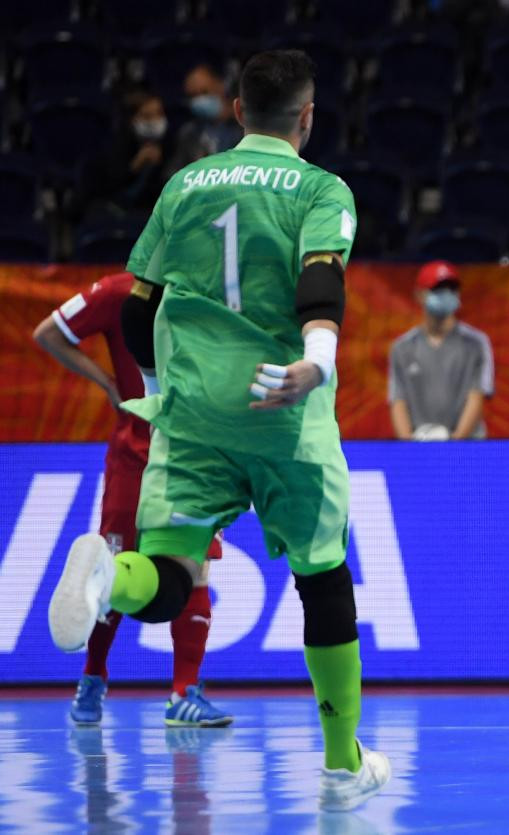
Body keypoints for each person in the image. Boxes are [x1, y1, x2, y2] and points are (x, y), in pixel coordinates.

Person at [45, 49, 390, 811]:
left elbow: (137, 310)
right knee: (322, 577)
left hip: (192, 415)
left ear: (236, 111)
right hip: (282, 411)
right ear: (306, 117)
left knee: (166, 579)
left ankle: (109, 574)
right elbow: (321, 275)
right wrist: (318, 361)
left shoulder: (182, 185)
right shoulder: (320, 187)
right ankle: (341, 763)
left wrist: (173, 388)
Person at [33, 274, 232, 728]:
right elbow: (48, 334)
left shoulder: (192, 292)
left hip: (177, 453)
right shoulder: (130, 293)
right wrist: (106, 381)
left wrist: (109, 384)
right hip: (170, 456)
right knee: (161, 571)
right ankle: (145, 686)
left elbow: (46, 334)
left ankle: (136, 688)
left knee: (144, 571)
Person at [388, 260, 494, 440]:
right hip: (418, 447)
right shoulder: (402, 348)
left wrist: (453, 445)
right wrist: (407, 448)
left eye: (451, 289)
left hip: (466, 447)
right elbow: (398, 401)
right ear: (419, 295)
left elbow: (477, 397)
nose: (446, 295)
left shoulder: (476, 343)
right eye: (437, 289)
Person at [83, 90, 173, 218]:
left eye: (159, 114)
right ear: (133, 120)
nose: (156, 121)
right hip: (114, 209)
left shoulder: (170, 143)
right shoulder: (116, 145)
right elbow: (107, 186)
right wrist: (135, 166)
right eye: (148, 116)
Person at [164, 64, 243, 179]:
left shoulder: (244, 127)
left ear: (220, 86)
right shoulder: (188, 133)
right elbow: (172, 175)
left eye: (204, 92)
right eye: (193, 96)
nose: (200, 101)